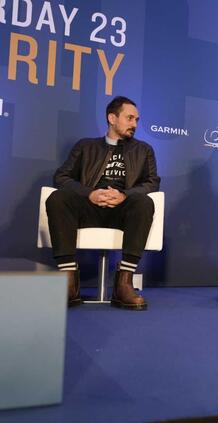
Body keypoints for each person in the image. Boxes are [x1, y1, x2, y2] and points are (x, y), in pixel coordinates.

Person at [46, 96, 160, 310]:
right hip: (88, 208)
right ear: (112, 118)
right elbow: (61, 177)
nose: (135, 124)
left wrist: (124, 195)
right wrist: (89, 193)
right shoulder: (86, 146)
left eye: (136, 120)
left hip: (122, 210)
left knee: (144, 202)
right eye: (129, 118)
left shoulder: (144, 150)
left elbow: (152, 182)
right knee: (57, 198)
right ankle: (69, 282)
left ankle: (124, 284)